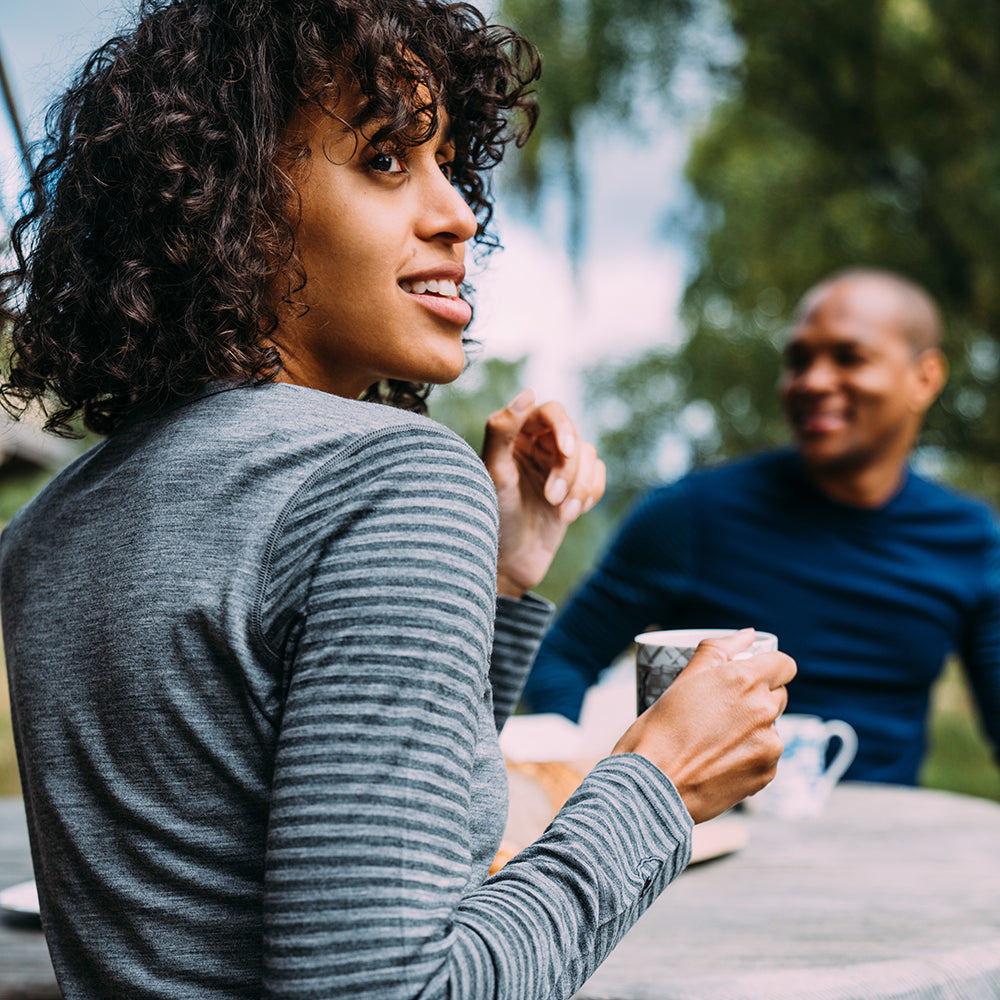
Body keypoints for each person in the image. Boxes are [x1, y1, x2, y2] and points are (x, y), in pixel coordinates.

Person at [0, 2, 795, 998]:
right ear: (222, 204)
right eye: (386, 159)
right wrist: (661, 783)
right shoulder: (391, 474)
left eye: (450, 165)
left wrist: (497, 581)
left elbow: (357, 826)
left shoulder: (47, 526)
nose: (458, 211)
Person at [523, 268, 1000, 785]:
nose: (813, 381)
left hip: (882, 844)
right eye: (798, 360)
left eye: (849, 357)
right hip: (711, 844)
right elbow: (563, 657)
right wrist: (589, 788)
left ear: (925, 378)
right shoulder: (688, 515)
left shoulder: (969, 539)